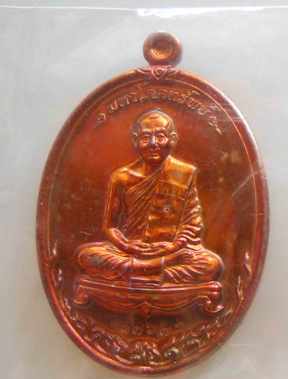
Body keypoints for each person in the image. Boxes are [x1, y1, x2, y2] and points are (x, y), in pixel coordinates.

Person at [75, 109, 223, 284]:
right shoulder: (121, 177)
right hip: (132, 251)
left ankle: (138, 273)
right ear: (135, 141)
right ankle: (157, 270)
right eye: (146, 137)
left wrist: (173, 246)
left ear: (172, 139)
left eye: (160, 136)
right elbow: (110, 226)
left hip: (172, 251)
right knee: (87, 256)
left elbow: (192, 224)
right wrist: (127, 245)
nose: (153, 143)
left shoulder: (185, 173)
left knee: (211, 264)